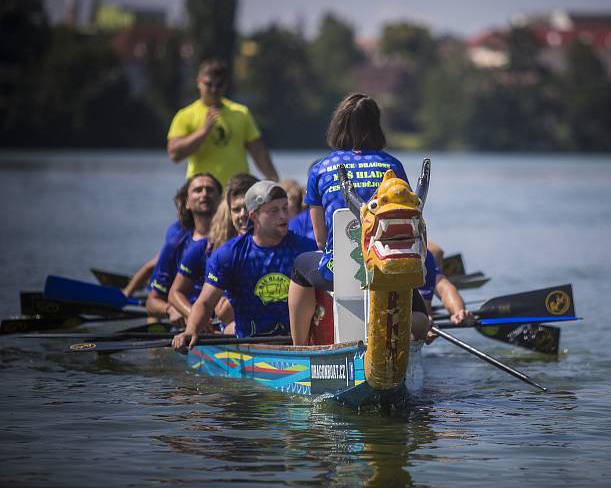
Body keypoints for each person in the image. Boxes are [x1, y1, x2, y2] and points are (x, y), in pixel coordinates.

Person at [287, 93, 431, 345]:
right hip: (387, 269)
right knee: (421, 317)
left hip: (337, 272)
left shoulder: (321, 168)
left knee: (300, 266)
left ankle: (299, 347)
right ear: (376, 125)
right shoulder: (393, 166)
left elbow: (320, 240)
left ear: (338, 124)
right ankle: (402, 342)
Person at [172, 181, 317, 351]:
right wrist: (191, 330)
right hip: (249, 344)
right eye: (274, 211)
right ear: (254, 216)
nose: (283, 216)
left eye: (285, 208)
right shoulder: (229, 254)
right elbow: (205, 303)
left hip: (296, 343)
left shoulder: (306, 248)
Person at [169, 173, 258, 332]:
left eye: (248, 207)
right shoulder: (207, 247)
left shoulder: (283, 244)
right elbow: (175, 293)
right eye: (237, 209)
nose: (244, 214)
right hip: (220, 323)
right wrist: (194, 319)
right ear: (229, 212)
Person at [166, 59, 279, 185]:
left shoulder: (241, 113)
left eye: (219, 85)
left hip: (236, 191)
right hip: (203, 192)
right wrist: (203, 131)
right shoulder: (185, 115)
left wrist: (275, 182)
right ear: (199, 82)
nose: (214, 89)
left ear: (226, 85)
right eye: (209, 84)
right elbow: (174, 154)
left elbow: (259, 153)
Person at [145, 173, 222, 326]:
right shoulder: (175, 246)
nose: (204, 194)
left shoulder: (233, 240)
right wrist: (170, 309)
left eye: (210, 190)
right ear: (186, 202)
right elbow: (152, 302)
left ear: (221, 200)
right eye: (198, 190)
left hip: (223, 318)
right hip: (194, 321)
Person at [419, 249, 473, 326]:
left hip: (431, 255)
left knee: (437, 252)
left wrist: (459, 311)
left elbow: (444, 288)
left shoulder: (425, 257)